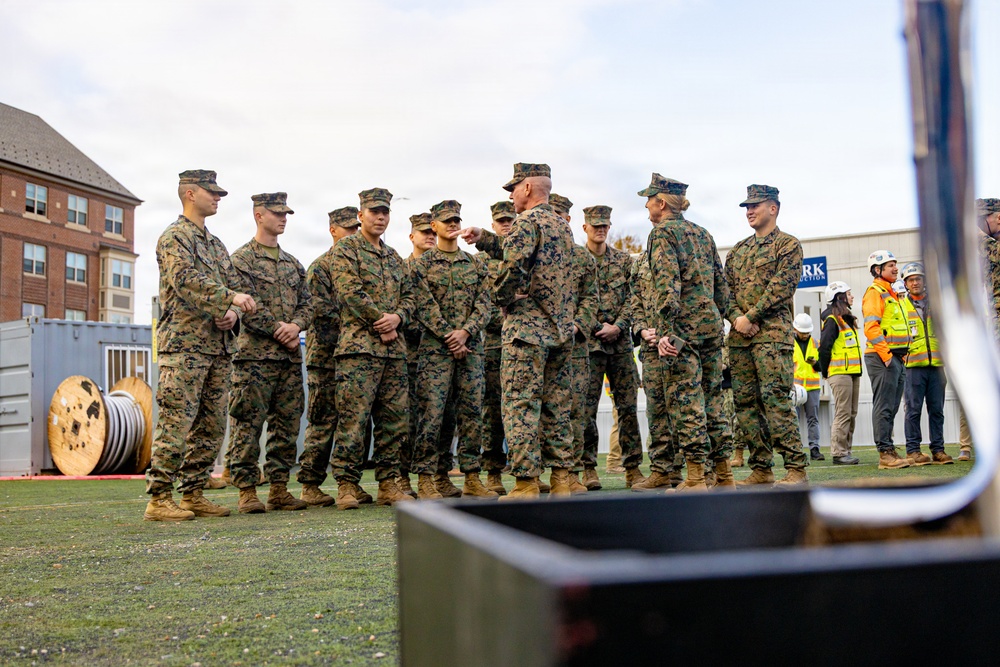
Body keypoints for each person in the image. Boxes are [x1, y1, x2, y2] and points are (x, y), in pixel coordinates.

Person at [144, 170, 257, 521]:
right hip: (185, 347)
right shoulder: (174, 237)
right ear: (190, 194)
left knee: (211, 426)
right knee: (177, 422)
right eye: (212, 193)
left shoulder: (216, 244)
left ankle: (192, 493)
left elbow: (233, 287)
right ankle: (159, 498)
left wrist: (233, 314)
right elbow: (184, 280)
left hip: (217, 348)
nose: (218, 198)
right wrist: (229, 298)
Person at [460, 163, 576, 499]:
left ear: (528, 188)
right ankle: (561, 480)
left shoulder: (527, 221)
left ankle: (525, 483)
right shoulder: (560, 225)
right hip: (559, 330)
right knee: (556, 406)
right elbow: (527, 255)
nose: (510, 196)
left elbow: (513, 265)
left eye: (513, 188)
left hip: (527, 332)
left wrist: (502, 297)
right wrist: (486, 240)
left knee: (520, 404)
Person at [634, 174, 733, 491]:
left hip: (681, 329)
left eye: (649, 199)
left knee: (686, 403)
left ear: (661, 203)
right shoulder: (703, 233)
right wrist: (717, 319)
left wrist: (666, 334)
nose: (647, 205)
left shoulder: (662, 234)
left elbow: (667, 285)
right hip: (710, 326)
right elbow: (721, 288)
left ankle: (694, 478)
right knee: (713, 402)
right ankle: (724, 476)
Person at [329, 187, 415, 509]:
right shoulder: (346, 250)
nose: (380, 217)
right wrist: (382, 320)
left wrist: (398, 317)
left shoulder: (393, 257)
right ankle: (347, 484)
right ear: (360, 214)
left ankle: (389, 483)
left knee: (394, 420)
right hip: (359, 350)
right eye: (374, 212)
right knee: (354, 419)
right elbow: (349, 292)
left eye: (385, 212)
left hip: (394, 352)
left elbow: (410, 297)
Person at [228, 192, 314, 513]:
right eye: (277, 213)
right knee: (248, 424)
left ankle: (279, 488)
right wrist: (282, 330)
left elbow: (308, 304)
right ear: (258, 215)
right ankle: (247, 491)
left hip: (289, 359)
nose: (283, 218)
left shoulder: (294, 265)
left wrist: (297, 326)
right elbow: (247, 305)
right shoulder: (241, 261)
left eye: (286, 214)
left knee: (287, 424)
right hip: (254, 360)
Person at [409, 200, 495, 499]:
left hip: (470, 349)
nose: (452, 225)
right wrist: (449, 335)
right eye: (446, 221)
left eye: (456, 220)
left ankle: (472, 476)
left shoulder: (474, 263)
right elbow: (422, 304)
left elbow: (486, 303)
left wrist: (466, 332)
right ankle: (428, 477)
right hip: (435, 351)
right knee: (432, 415)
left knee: (472, 414)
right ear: (433, 226)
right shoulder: (421, 266)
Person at [726, 184, 808, 486]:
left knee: (775, 401)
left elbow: (782, 286)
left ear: (773, 208)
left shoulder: (788, 246)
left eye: (755, 205)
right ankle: (761, 467)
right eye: (747, 206)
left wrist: (751, 316)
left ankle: (795, 467)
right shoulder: (738, 250)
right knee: (745, 405)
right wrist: (736, 318)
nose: (749, 211)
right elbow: (724, 291)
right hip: (740, 339)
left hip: (772, 338)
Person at [296, 206, 371, 506]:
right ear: (333, 231)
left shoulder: (360, 264)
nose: (353, 234)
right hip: (326, 356)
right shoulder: (321, 267)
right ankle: (310, 483)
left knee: (354, 420)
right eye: (348, 229)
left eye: (356, 228)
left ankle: (350, 481)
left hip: (354, 354)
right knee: (323, 419)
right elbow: (322, 313)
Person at [580, 205, 645, 490]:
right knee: (585, 410)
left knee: (628, 408)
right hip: (588, 346)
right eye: (595, 225)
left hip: (620, 346)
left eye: (604, 225)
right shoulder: (576, 261)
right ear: (585, 228)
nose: (600, 229)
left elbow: (634, 298)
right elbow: (572, 301)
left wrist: (618, 326)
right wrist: (596, 327)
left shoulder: (623, 261)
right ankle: (587, 469)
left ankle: (632, 468)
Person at [403, 213, 458, 498]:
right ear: (411, 236)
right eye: (422, 232)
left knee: (445, 417)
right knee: (410, 421)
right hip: (409, 355)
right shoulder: (404, 268)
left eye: (430, 231)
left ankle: (440, 474)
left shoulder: (450, 265)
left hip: (441, 353)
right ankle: (404, 478)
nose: (428, 236)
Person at [549, 193, 600, 494]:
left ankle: (571, 473)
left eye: (560, 215)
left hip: (576, 346)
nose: (556, 219)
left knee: (576, 410)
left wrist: (578, 325)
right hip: (543, 344)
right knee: (545, 411)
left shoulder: (582, 258)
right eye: (551, 214)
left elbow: (590, 298)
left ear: (568, 220)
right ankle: (547, 472)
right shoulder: (534, 254)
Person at [478, 201, 516, 494]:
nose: (505, 224)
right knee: (492, 414)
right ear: (493, 225)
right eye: (501, 221)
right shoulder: (479, 262)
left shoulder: (524, 255)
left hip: (523, 345)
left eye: (510, 219)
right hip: (493, 347)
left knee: (524, 411)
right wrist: (509, 308)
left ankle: (527, 471)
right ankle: (492, 471)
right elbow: (481, 305)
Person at [900, 262, 953, 465]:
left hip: (937, 365)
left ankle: (938, 450)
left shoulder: (937, 303)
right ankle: (913, 450)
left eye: (918, 278)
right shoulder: (901, 306)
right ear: (905, 283)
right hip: (913, 366)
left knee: (937, 410)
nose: (915, 282)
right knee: (913, 410)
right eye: (911, 279)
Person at [862, 250, 911, 469]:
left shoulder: (894, 293)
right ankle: (884, 453)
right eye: (889, 265)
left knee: (891, 405)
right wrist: (887, 356)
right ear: (877, 270)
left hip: (897, 358)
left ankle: (889, 448)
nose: (895, 268)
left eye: (895, 264)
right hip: (882, 357)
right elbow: (871, 327)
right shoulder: (875, 292)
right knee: (883, 405)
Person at [818, 281, 862, 465]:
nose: (852, 296)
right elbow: (824, 349)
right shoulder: (832, 321)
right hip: (839, 373)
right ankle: (838, 452)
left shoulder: (846, 319)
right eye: (849, 293)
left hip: (852, 372)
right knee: (843, 413)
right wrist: (825, 372)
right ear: (840, 297)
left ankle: (846, 451)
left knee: (851, 413)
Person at [792, 313, 823, 460]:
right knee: (794, 419)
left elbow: (823, 365)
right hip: (795, 388)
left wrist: (815, 364)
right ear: (796, 330)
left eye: (807, 332)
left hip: (812, 387)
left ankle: (815, 449)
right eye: (802, 332)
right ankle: (796, 450)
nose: (805, 335)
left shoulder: (816, 343)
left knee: (813, 419)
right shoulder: (789, 344)